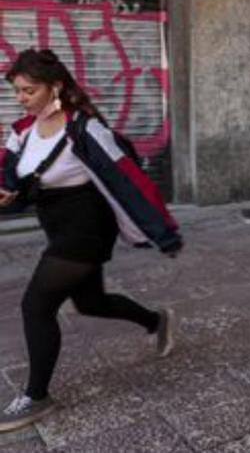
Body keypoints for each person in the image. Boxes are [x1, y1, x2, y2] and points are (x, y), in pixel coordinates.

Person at [0, 48, 182, 432]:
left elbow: (130, 181)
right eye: (17, 91)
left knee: (36, 306)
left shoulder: (84, 129)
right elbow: (16, 178)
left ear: (56, 87)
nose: (22, 98)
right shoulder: (22, 131)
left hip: (86, 229)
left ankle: (36, 396)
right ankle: (156, 320)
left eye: (29, 90)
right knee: (91, 302)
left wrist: (163, 233)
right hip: (57, 226)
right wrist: (10, 193)